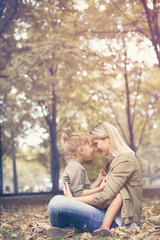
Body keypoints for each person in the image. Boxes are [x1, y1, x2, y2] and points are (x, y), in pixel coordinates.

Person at [46, 121, 143, 238]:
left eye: (96, 143)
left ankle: (70, 227)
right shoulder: (114, 162)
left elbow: (105, 197)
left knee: (56, 203)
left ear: (108, 138)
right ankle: (66, 229)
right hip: (104, 212)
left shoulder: (126, 160)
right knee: (56, 205)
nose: (95, 148)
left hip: (116, 220)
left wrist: (72, 200)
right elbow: (101, 194)